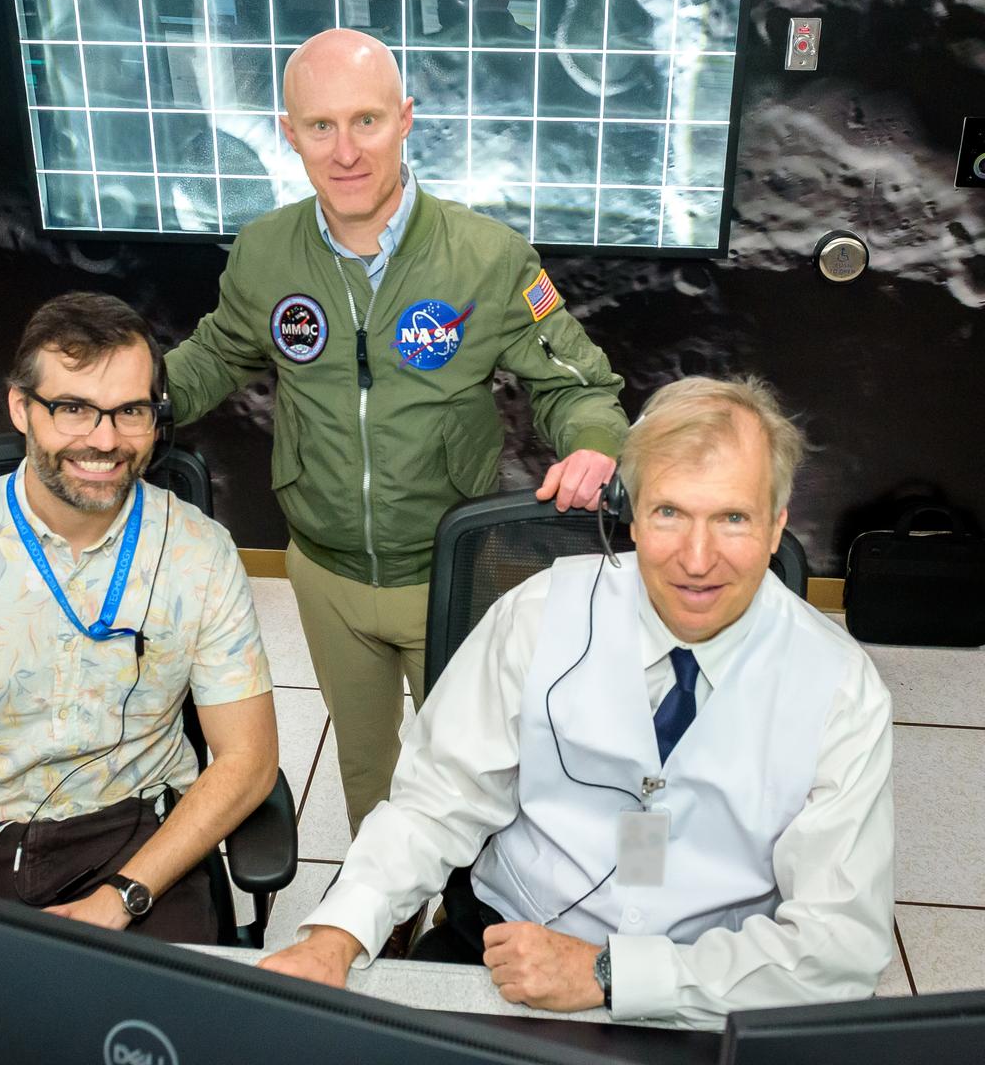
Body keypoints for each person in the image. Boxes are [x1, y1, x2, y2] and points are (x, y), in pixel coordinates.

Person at [260, 376, 895, 1029]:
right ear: (631, 511)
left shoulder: (841, 688)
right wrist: (335, 935)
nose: (697, 560)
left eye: (732, 518)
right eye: (669, 513)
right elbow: (435, 802)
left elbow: (840, 945)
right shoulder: (538, 616)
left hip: (716, 986)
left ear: (775, 527)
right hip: (507, 951)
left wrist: (609, 975)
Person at [166, 29, 630, 877]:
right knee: (366, 771)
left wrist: (596, 445)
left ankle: (472, 912)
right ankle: (387, 909)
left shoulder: (488, 258)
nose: (345, 152)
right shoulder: (267, 252)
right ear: (288, 130)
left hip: (451, 571)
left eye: (367, 121)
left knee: (478, 768)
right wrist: (126, 407)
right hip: (326, 571)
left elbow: (576, 382)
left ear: (406, 120)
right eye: (320, 127)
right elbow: (212, 357)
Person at [0, 292, 277, 943]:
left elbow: (249, 758)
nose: (104, 440)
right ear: (21, 407)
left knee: (159, 1037)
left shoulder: (198, 552)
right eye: (73, 409)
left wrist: (123, 895)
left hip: (133, 838)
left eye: (129, 412)